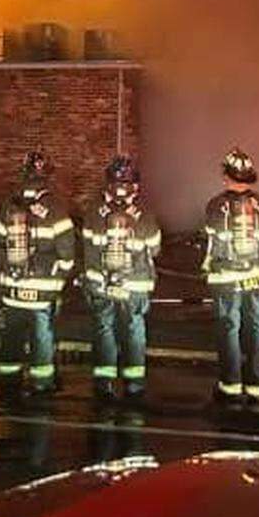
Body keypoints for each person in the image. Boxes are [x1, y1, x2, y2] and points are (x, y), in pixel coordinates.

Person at [0, 151, 74, 398]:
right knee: (42, 336)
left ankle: (9, 380)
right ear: (46, 177)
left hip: (13, 286)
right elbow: (67, 251)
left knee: (12, 335)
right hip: (43, 288)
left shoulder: (10, 205)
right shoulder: (56, 208)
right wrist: (59, 279)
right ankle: (42, 383)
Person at [82, 155, 161, 405]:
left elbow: (86, 247)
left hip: (101, 285)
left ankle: (103, 385)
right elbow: (155, 248)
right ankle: (134, 385)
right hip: (135, 287)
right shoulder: (145, 213)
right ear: (134, 185)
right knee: (134, 332)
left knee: (104, 330)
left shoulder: (94, 211)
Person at [202, 147, 259, 409]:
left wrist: (207, 268)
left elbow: (214, 245)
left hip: (228, 278)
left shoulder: (215, 205)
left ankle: (230, 386)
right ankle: (258, 388)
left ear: (227, 176)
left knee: (229, 330)